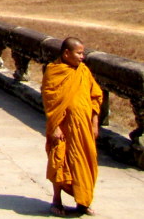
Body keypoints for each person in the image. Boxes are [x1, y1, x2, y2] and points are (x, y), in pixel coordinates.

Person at [42, 37, 103, 218]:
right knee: (59, 162)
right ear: (66, 53)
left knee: (85, 162)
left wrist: (94, 123)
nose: (82, 57)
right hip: (63, 128)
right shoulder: (54, 71)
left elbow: (95, 97)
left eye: (83, 53)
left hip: (83, 127)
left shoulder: (83, 71)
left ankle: (82, 202)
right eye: (79, 53)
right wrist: (55, 127)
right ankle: (56, 201)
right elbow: (50, 102)